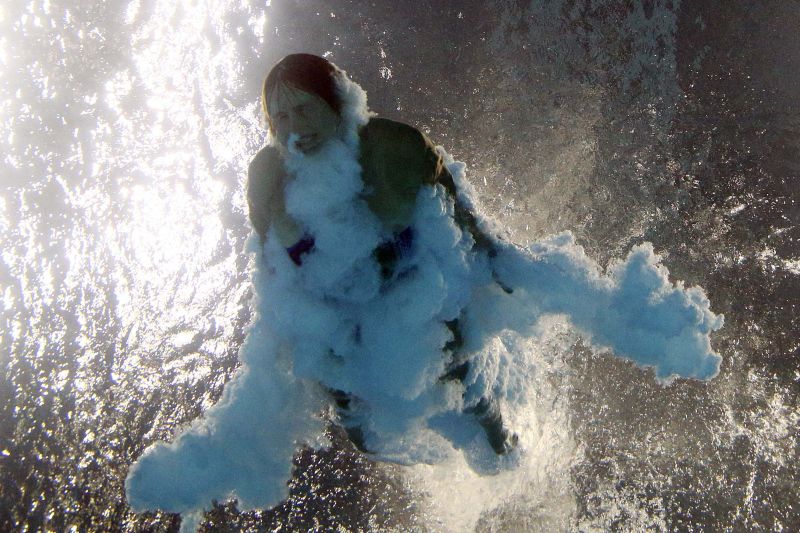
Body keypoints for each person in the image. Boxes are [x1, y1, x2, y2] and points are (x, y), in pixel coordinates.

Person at [247, 53, 516, 455]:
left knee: (464, 376)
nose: (296, 130)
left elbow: (452, 204)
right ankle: (392, 448)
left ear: (336, 102)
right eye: (281, 118)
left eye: (305, 109)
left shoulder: (396, 148)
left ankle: (501, 444)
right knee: (356, 424)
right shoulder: (269, 177)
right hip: (335, 300)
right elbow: (274, 266)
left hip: (411, 278)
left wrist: (492, 252)